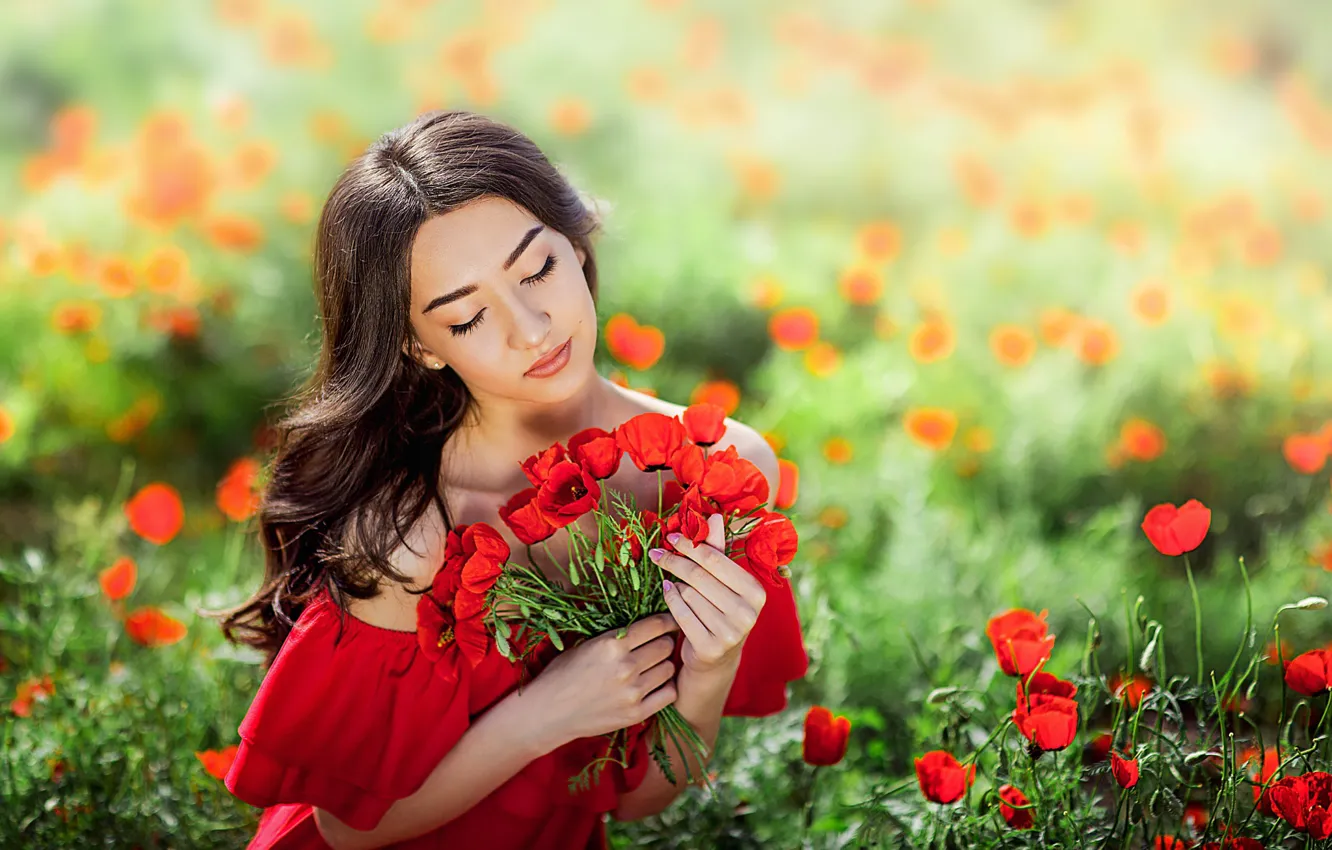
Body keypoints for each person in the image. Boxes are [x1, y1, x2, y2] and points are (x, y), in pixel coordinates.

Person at [213, 109, 809, 850]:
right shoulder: (410, 535)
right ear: (417, 347)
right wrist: (541, 718)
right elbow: (344, 828)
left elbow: (640, 801)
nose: (532, 327)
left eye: (538, 270)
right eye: (466, 319)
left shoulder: (718, 476)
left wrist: (711, 665)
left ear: (577, 237)